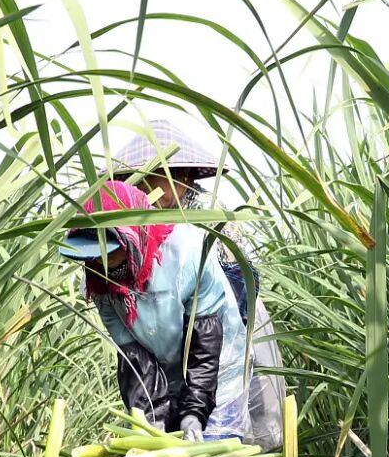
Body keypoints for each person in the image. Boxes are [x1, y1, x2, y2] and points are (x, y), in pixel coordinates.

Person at [110, 118, 284, 451]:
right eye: (142, 179)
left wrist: (198, 395)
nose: (147, 188)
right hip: (168, 351)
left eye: (158, 177)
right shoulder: (122, 233)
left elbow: (231, 312)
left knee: (235, 442)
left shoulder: (209, 225)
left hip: (227, 340)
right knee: (170, 441)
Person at [60, 179, 250, 441]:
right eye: (92, 257)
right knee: (158, 443)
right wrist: (152, 421)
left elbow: (206, 344)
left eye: (110, 253)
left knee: (212, 450)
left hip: (216, 367)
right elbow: (135, 359)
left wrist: (194, 410)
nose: (101, 265)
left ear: (133, 238)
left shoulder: (188, 255)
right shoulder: (97, 283)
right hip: (167, 369)